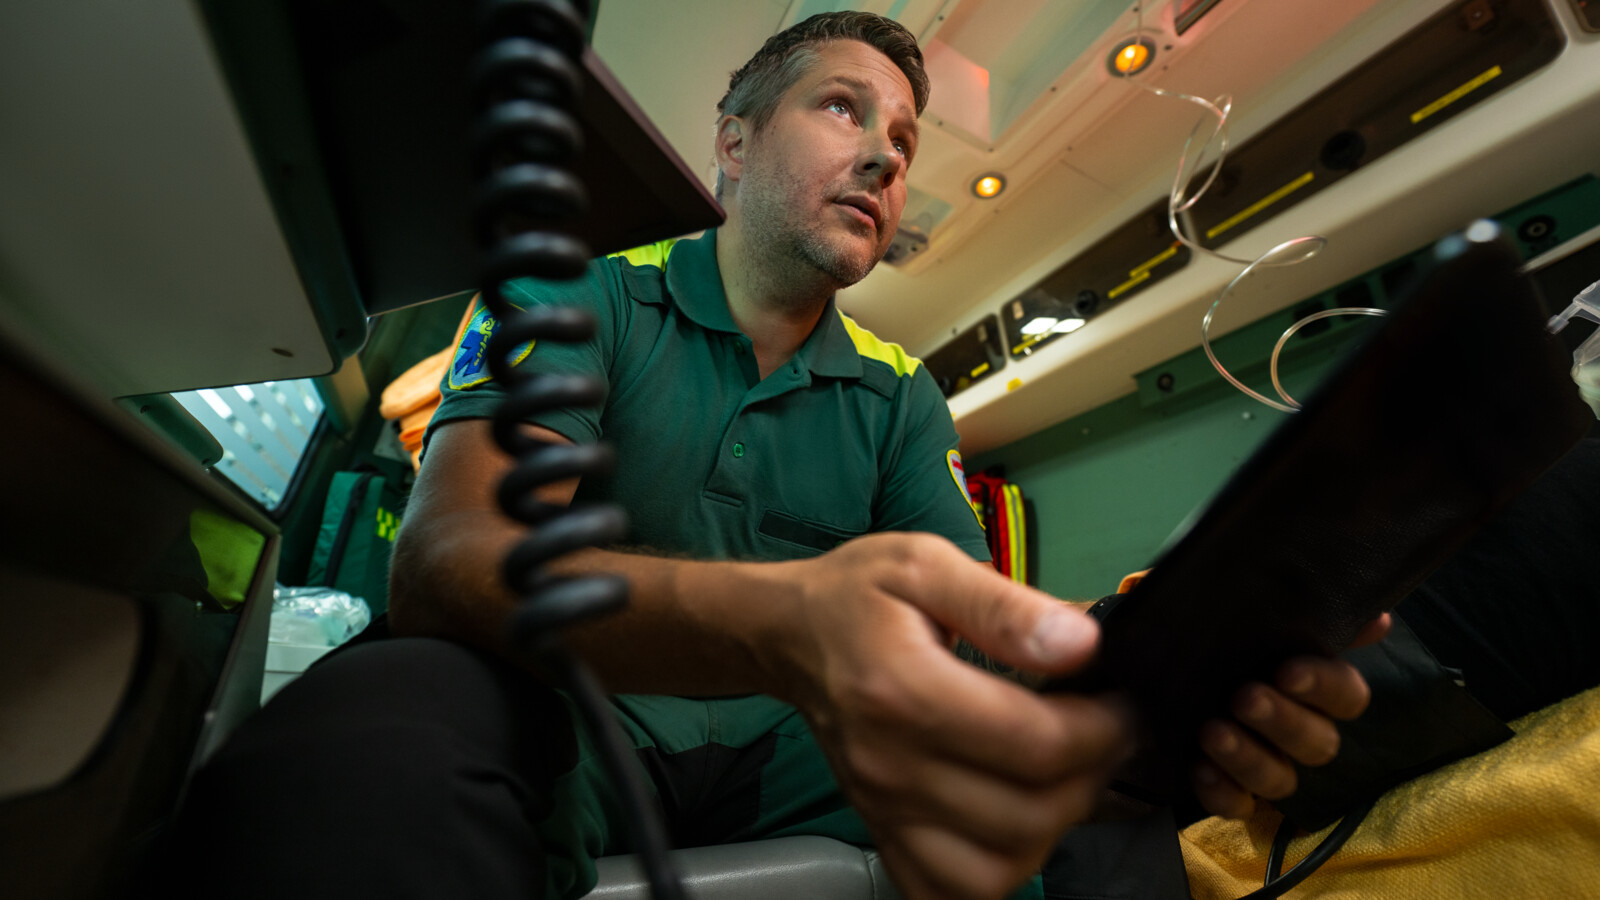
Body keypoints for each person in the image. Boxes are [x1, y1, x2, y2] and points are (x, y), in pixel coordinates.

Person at [169, 12, 1381, 900]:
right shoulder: (575, 287)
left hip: (805, 746)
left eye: (903, 141)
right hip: (591, 728)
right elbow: (448, 561)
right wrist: (777, 620)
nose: (884, 158)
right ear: (735, 143)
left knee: (1079, 797)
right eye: (843, 108)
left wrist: (1142, 653)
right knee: (386, 721)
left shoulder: (901, 395)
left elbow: (977, 617)